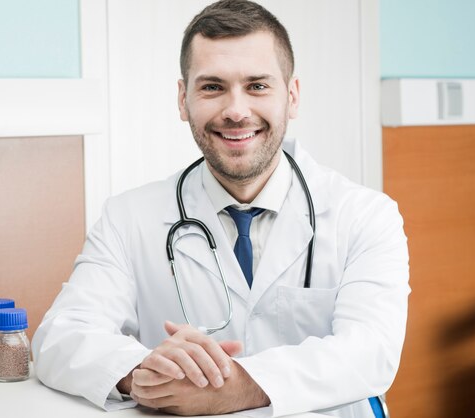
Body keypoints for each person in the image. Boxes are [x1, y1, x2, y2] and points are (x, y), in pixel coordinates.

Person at [32, 1, 410, 417]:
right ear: (183, 99)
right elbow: (61, 336)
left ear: (292, 96)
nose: (235, 110)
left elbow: (371, 352)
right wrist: (140, 369)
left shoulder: (366, 215)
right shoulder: (128, 218)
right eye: (212, 87)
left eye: (257, 86)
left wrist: (239, 386)